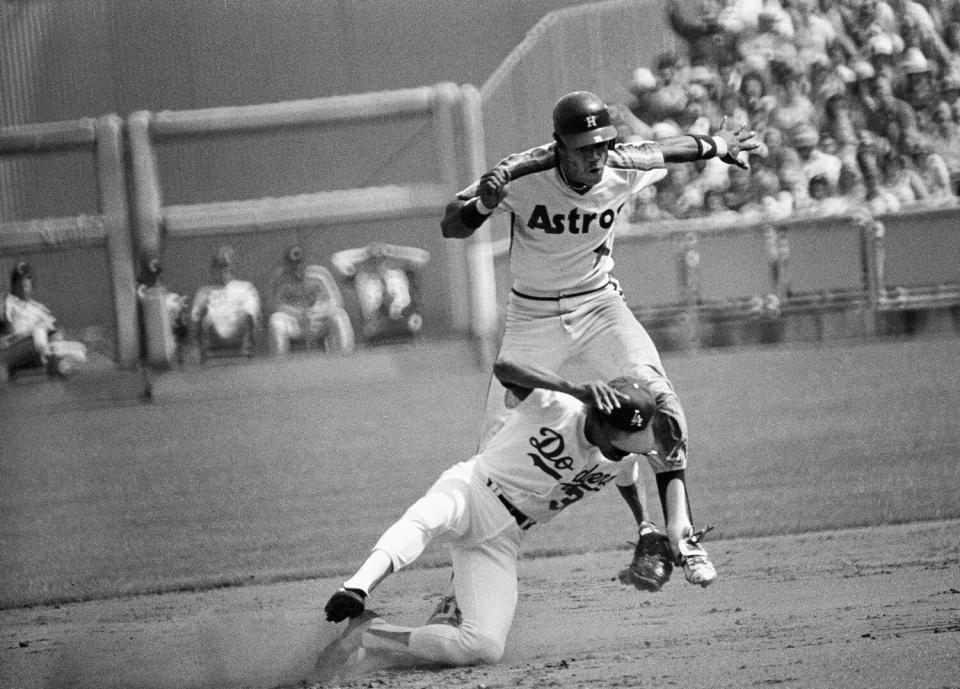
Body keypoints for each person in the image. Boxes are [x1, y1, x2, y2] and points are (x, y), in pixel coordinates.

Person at [439, 90, 758, 590]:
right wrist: (483, 202)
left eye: (602, 144)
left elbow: (673, 149)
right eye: (584, 146)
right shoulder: (523, 173)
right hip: (533, 317)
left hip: (600, 305)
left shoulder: (621, 164)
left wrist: (719, 143)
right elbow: (451, 225)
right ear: (559, 146)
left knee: (660, 398)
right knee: (493, 453)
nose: (595, 156)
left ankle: (681, 532)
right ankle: (465, 588)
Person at [314, 363, 715, 682]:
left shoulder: (622, 456)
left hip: (504, 539)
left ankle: (369, 634)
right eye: (631, 436)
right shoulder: (558, 406)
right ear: (608, 425)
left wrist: (644, 523)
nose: (634, 448)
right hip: (473, 489)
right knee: (427, 517)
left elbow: (628, 478)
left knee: (484, 645)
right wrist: (574, 388)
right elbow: (505, 367)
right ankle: (358, 587)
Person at [1, 261, 87, 379]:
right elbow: (6, 330)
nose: (23, 287)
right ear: (14, 284)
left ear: (32, 285)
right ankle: (49, 358)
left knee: (80, 352)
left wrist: (56, 339)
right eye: (19, 283)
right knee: (39, 327)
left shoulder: (38, 308)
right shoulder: (7, 301)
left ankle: (56, 366)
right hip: (13, 347)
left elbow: (55, 333)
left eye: (26, 283)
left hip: (37, 348)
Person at [267, 246, 355, 356]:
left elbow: (337, 301)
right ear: (286, 264)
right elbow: (274, 305)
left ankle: (345, 357)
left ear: (306, 262)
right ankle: (280, 363)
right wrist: (297, 313)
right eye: (293, 264)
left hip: (319, 321)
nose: (297, 267)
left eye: (300, 263)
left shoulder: (320, 274)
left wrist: (318, 311)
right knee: (276, 321)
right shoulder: (280, 279)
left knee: (339, 315)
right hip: (295, 323)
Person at [190, 245, 261, 362]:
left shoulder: (245, 288)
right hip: (214, 333)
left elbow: (251, 312)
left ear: (232, 268)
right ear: (213, 270)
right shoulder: (203, 292)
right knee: (206, 315)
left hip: (238, 331)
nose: (224, 270)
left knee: (248, 313)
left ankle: (250, 351)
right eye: (220, 267)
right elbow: (195, 317)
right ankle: (203, 357)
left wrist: (246, 315)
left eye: (227, 267)